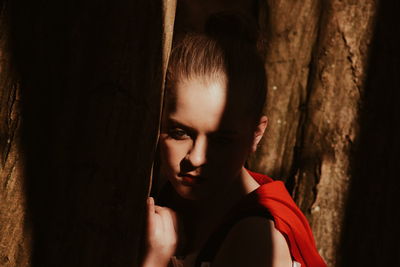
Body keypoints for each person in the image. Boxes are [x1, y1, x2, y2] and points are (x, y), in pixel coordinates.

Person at [141, 13, 326, 267]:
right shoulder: (173, 197)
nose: (195, 158)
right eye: (180, 133)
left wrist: (154, 260)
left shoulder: (257, 237)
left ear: (256, 135)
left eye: (221, 140)